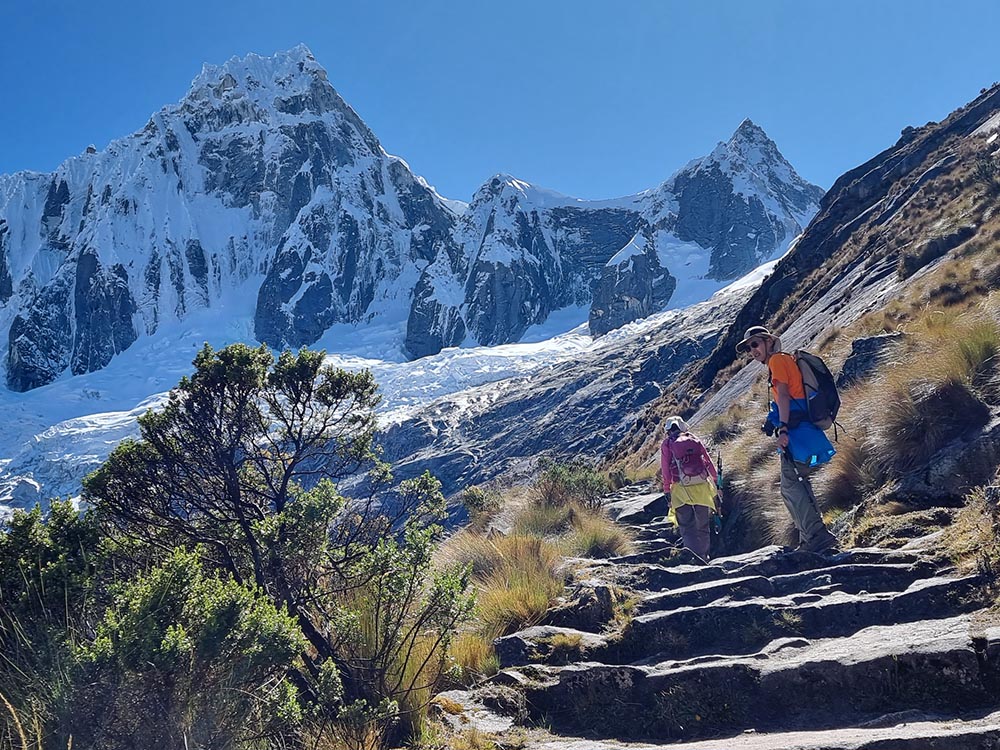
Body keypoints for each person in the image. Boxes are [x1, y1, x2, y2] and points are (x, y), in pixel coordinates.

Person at [736, 325, 839, 554]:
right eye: (748, 347)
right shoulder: (783, 361)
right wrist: (773, 419)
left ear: (768, 342)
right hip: (803, 431)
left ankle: (815, 537)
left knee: (791, 486)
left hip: (796, 433)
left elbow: (783, 394)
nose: (752, 350)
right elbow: (789, 396)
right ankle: (812, 537)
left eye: (755, 344)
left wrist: (782, 429)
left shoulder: (777, 361)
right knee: (796, 484)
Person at [660, 416, 719, 562]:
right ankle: (704, 556)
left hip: (681, 488)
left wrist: (667, 490)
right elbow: (707, 460)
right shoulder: (694, 439)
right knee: (703, 525)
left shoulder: (667, 444)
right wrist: (716, 480)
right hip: (701, 486)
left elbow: (665, 469)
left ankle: (693, 557)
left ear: (668, 430)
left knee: (686, 525)